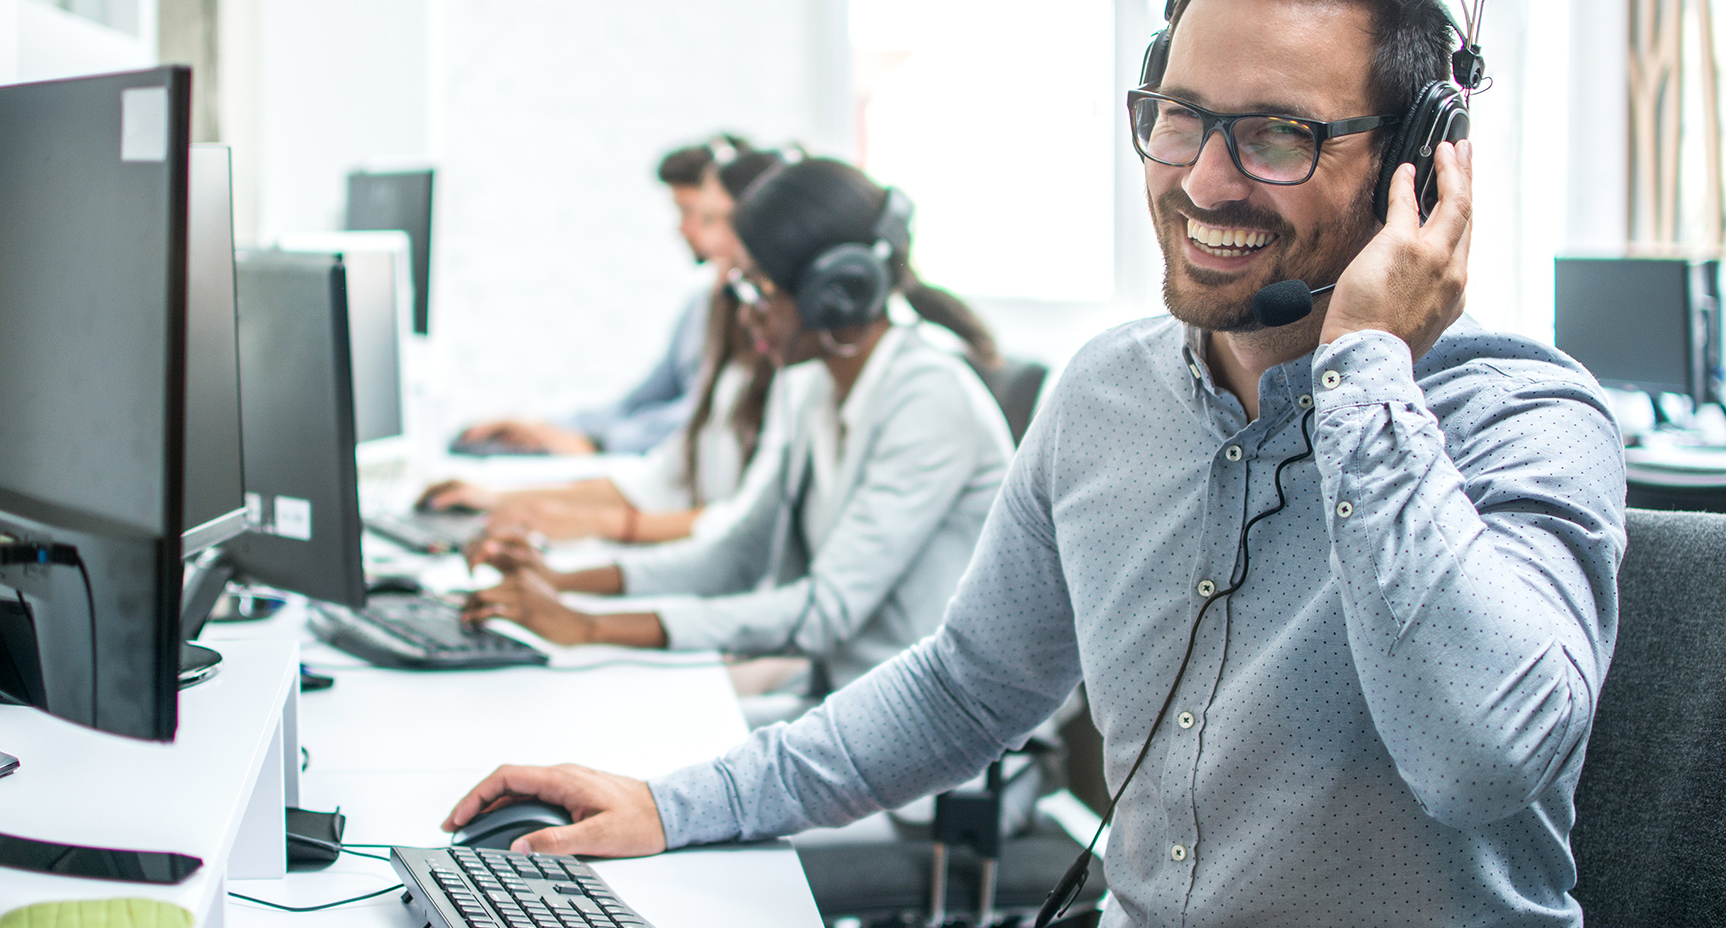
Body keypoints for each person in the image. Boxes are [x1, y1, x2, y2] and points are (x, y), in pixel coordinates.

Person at [442, 3, 1630, 927]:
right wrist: (674, 802)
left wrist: (1364, 368)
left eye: (1277, 134)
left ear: (1417, 165)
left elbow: (1481, 759)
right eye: (1179, 116)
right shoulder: (1104, 394)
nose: (1203, 181)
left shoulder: (1523, 418)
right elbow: (967, 686)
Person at [461, 157, 1015, 723]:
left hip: (936, 749)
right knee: (615, 727)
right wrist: (562, 585)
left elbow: (823, 611)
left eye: (756, 286)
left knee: (645, 756)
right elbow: (737, 555)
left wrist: (587, 628)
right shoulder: (811, 385)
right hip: (852, 705)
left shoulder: (929, 398)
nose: (741, 311)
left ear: (834, 293)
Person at [420, 151, 787, 543]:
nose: (697, 234)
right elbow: (657, 466)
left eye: (713, 219)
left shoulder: (783, 368)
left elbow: (739, 525)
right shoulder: (714, 317)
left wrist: (592, 468)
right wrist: (502, 495)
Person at [454, 133, 751, 456]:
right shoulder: (701, 307)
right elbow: (640, 402)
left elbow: (709, 417)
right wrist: (544, 429)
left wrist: (599, 443)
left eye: (695, 214)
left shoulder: (759, 316)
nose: (683, 229)